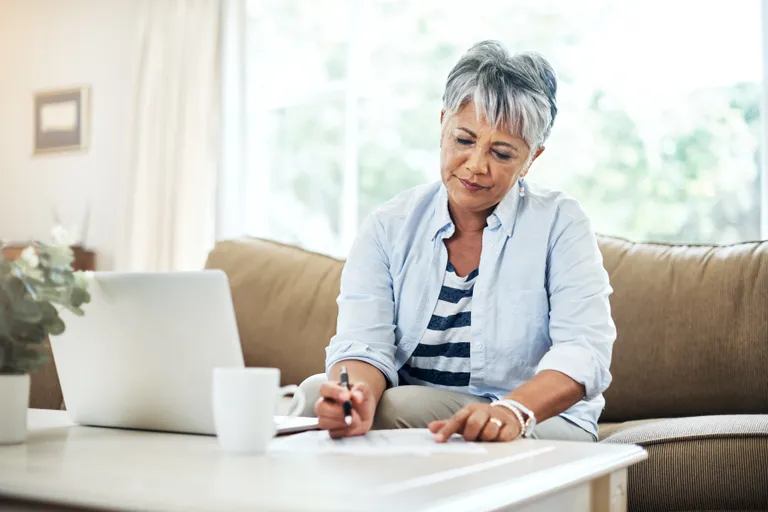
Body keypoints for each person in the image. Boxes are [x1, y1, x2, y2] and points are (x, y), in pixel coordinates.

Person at [299, 40, 616, 442]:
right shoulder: (388, 225)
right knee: (314, 395)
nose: (476, 165)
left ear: (532, 158)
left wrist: (512, 410)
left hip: (536, 418)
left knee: (400, 407)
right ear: (443, 122)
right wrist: (355, 396)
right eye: (464, 140)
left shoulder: (560, 223)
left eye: (502, 153)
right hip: (424, 407)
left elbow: (584, 350)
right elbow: (364, 344)